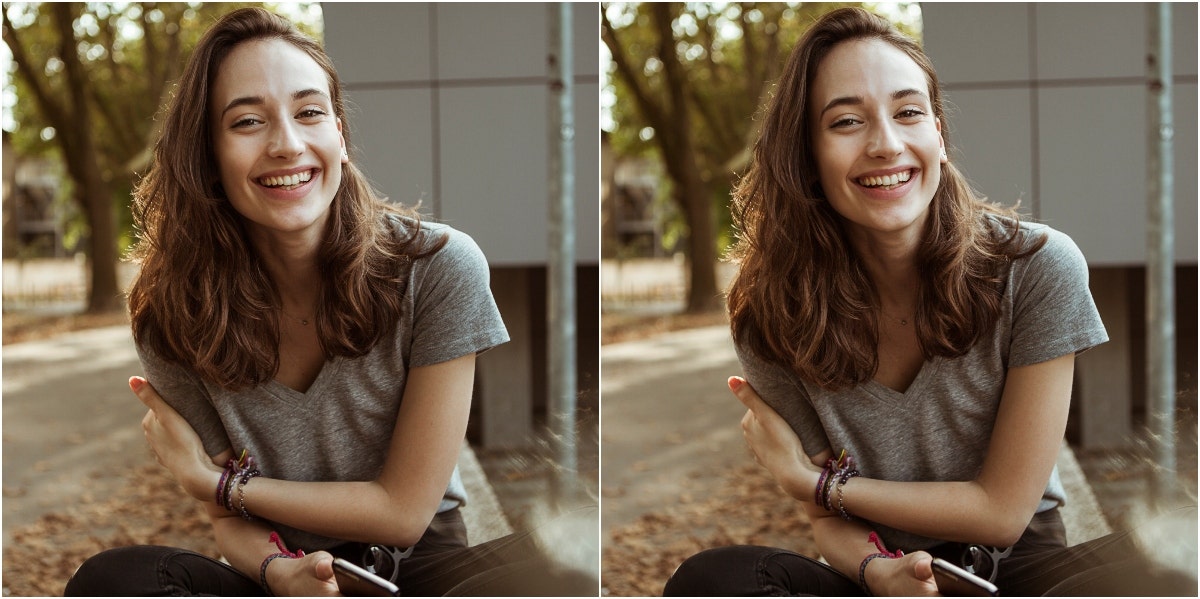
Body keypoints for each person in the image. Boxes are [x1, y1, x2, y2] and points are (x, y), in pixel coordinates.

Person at [663, 7, 1195, 597]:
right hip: (883, 573)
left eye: (908, 112)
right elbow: (828, 527)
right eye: (846, 122)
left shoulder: (1036, 268)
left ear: (938, 135)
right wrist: (880, 573)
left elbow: (1002, 512)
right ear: (806, 155)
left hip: (1021, 573)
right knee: (713, 580)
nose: (886, 144)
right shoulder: (774, 313)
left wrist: (815, 483)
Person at [64, 8, 594, 597]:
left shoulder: (438, 267)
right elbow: (229, 528)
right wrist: (280, 573)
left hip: (421, 572)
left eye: (310, 112)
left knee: (569, 564)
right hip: (282, 571)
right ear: (207, 154)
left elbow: (403, 511)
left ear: (339, 135)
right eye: (247, 122)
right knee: (114, 580)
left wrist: (219, 484)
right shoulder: (175, 312)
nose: (287, 144)